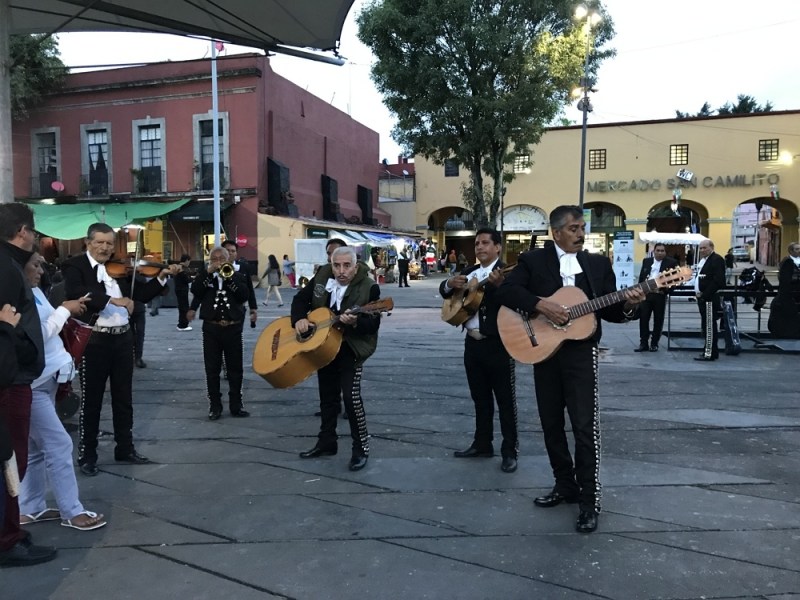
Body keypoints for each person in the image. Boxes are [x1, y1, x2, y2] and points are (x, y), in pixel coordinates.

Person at [496, 205, 645, 534]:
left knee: (583, 427)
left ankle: (589, 501)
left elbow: (611, 310)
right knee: (550, 425)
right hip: (544, 352)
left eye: (582, 228)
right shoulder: (533, 260)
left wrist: (631, 304)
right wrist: (541, 304)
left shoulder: (596, 264)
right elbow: (505, 291)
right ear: (557, 232)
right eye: (574, 228)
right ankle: (564, 485)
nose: (581, 234)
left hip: (580, 354)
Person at [62, 223, 178, 476]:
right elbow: (77, 292)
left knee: (124, 398)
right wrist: (113, 300)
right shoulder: (76, 266)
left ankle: (124, 448)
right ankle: (87, 454)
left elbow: (141, 296)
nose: (105, 248)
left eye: (110, 243)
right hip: (95, 342)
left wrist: (161, 275)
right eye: (100, 242)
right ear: (88, 242)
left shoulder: (121, 269)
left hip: (123, 339)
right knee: (92, 401)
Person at [19, 250, 106, 532]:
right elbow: (38, 334)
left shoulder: (34, 292)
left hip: (46, 379)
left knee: (36, 448)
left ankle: (30, 507)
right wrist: (65, 310)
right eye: (35, 264)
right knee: (59, 444)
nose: (41, 270)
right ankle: (72, 511)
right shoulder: (20, 295)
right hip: (33, 383)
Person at [0, 202, 57, 566]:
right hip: (11, 379)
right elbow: (8, 322)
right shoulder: (7, 268)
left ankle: (10, 530)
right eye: (33, 232)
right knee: (11, 460)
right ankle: (8, 539)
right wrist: (25, 352)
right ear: (23, 231)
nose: (34, 238)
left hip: (16, 375)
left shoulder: (10, 264)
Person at [293, 246, 381, 471]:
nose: (341, 271)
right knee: (327, 398)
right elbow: (300, 300)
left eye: (347, 265)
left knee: (351, 400)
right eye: (337, 265)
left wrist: (356, 322)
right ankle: (327, 442)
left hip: (351, 348)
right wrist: (299, 320)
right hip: (324, 347)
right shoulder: (322, 276)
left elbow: (372, 324)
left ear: (356, 265)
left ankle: (360, 449)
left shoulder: (369, 287)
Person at [440, 228, 518, 473]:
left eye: (485, 243)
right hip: (472, 344)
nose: (480, 247)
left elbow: (518, 300)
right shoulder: (469, 271)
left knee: (506, 401)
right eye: (476, 243)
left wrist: (502, 286)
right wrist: (448, 283)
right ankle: (482, 443)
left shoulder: (509, 272)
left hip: (499, 345)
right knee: (480, 399)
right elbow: (446, 292)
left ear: (497, 247)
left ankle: (510, 450)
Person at [187, 246, 251, 420]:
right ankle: (215, 406)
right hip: (211, 328)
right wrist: (208, 273)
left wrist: (228, 278)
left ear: (228, 259)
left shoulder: (237, 277)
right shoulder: (205, 278)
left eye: (221, 259)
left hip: (233, 328)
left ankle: (236, 405)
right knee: (212, 369)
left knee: (235, 369)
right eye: (214, 259)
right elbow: (196, 291)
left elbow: (243, 295)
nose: (218, 262)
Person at [635, 243, 679, 352]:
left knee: (658, 320)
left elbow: (676, 280)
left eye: (662, 251)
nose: (660, 253)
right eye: (658, 250)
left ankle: (654, 343)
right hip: (646, 295)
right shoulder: (647, 261)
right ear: (653, 251)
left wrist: (666, 291)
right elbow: (641, 277)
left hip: (660, 295)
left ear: (665, 252)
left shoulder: (671, 262)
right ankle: (643, 343)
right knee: (644, 318)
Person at [694, 239, 726, 361]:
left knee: (709, 327)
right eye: (700, 248)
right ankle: (710, 351)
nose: (702, 250)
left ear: (711, 247)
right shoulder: (704, 260)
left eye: (704, 248)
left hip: (709, 299)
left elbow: (719, 281)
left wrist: (704, 295)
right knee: (706, 326)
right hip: (703, 298)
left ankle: (709, 353)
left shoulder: (716, 259)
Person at [221, 240, 258, 329]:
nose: (230, 253)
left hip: (238, 308)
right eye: (227, 250)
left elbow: (249, 288)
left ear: (236, 253)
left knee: (236, 335)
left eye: (233, 251)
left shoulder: (243, 267)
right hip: (220, 309)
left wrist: (253, 308)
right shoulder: (214, 267)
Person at [174, 254, 193, 331]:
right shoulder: (181, 269)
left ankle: (181, 323)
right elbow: (186, 279)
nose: (189, 263)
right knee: (184, 307)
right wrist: (191, 278)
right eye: (189, 261)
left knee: (182, 307)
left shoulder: (179, 267)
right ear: (186, 260)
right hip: (181, 290)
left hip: (179, 290)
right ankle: (183, 325)